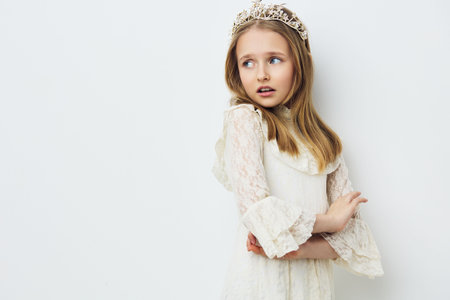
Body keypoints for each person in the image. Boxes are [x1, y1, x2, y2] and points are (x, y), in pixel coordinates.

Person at [212, 1, 384, 299]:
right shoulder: (245, 120)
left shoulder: (323, 140)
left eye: (274, 60)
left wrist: (298, 249)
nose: (261, 74)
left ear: (299, 63)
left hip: (312, 286)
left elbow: (351, 237)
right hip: (262, 283)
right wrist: (328, 222)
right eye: (248, 62)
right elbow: (257, 210)